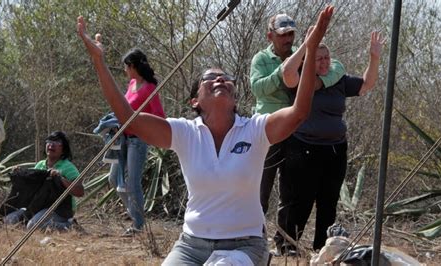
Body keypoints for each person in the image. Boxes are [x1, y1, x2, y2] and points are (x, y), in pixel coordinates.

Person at [77, 5, 334, 265]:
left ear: (234, 98)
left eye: (226, 78)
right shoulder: (184, 132)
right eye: (210, 78)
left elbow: (299, 111)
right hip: (191, 245)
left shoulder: (256, 129)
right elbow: (127, 119)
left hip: (246, 245)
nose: (220, 80)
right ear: (194, 101)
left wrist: (311, 48)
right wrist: (99, 61)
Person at [250, 13, 345, 256]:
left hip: (294, 134)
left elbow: (333, 69)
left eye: (291, 34)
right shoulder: (261, 59)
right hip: (266, 132)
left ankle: (285, 245)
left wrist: (318, 82)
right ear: (270, 35)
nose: (287, 39)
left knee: (290, 193)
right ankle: (252, 241)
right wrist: (283, 71)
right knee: (258, 190)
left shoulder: (304, 59)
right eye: (282, 35)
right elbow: (258, 88)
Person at [281, 31, 385, 251]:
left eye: (327, 57)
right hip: (304, 147)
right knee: (302, 199)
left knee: (328, 201)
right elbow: (287, 72)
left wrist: (374, 58)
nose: (325, 62)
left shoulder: (338, 81)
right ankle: (288, 244)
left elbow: (367, 85)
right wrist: (307, 46)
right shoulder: (301, 79)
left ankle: (323, 246)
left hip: (335, 149)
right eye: (319, 58)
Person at [107, 48, 165, 236]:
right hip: (122, 138)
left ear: (133, 66)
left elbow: (159, 116)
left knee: (133, 183)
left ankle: (138, 225)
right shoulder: (132, 84)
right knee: (114, 178)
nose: (125, 70)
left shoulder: (149, 88)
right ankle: (135, 214)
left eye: (126, 66)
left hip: (137, 141)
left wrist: (141, 121)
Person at [4, 131, 84, 231]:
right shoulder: (40, 165)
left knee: (32, 226)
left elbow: (80, 192)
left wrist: (60, 179)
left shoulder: (68, 168)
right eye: (49, 142)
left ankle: (71, 226)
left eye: (56, 143)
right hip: (39, 206)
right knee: (9, 220)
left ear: (63, 149)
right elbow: (31, 188)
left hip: (60, 209)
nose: (51, 145)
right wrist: (20, 174)